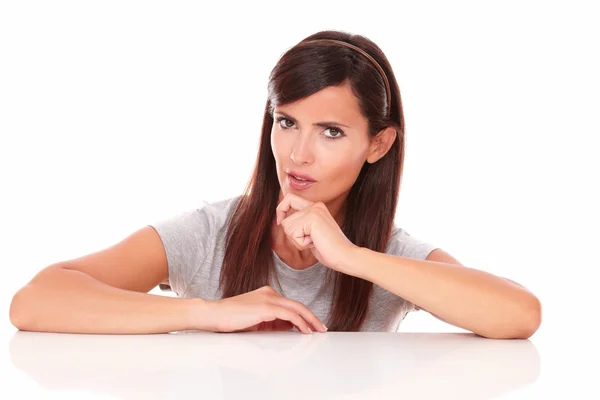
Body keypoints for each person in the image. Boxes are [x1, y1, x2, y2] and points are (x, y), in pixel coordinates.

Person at [9, 30, 541, 338]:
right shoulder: (212, 232)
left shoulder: (388, 254)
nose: (297, 153)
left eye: (330, 132)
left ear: (377, 144)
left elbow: (520, 313)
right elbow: (35, 301)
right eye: (286, 122)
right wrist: (210, 314)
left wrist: (352, 256)